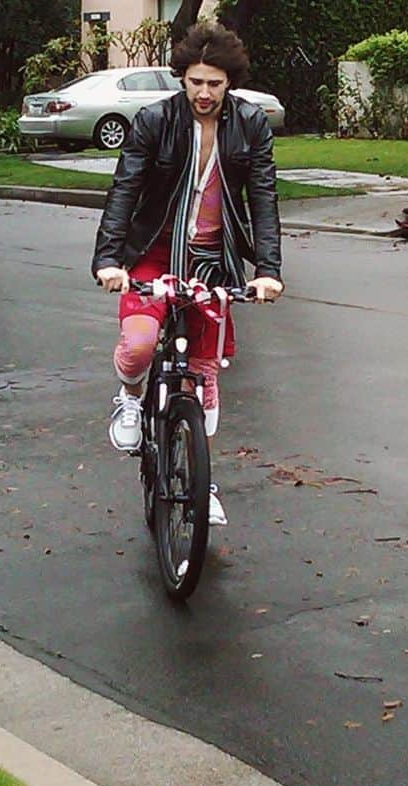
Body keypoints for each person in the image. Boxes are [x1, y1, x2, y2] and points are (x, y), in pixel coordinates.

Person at [91, 22, 285, 526]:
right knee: (138, 344)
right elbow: (125, 191)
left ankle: (203, 483)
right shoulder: (155, 121)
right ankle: (131, 398)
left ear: (229, 83)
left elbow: (262, 200)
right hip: (153, 252)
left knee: (203, 377)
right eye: (195, 81)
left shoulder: (250, 124)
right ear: (182, 78)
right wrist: (109, 260)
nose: (204, 93)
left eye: (214, 84)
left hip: (212, 258)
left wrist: (268, 270)